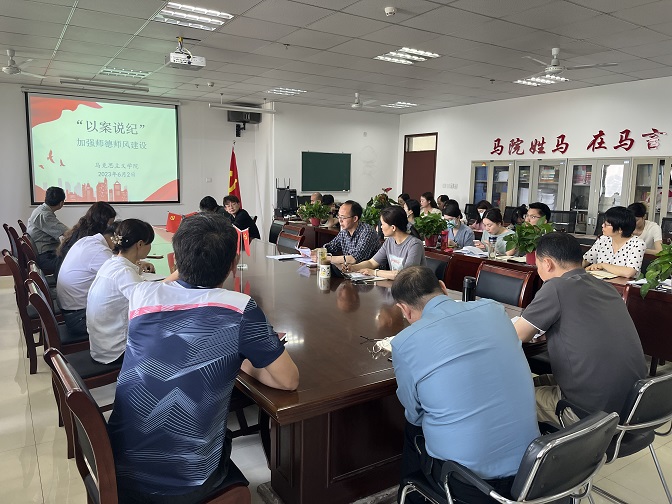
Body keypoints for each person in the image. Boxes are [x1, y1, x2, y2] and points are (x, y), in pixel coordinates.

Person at [107, 213, 299, 503]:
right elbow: (288, 380)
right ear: (233, 264)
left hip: (118, 462)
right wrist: (242, 360)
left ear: (175, 259)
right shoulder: (239, 308)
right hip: (186, 479)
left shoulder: (141, 295)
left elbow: (169, 285)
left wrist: (182, 266)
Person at [392, 266, 539, 504]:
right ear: (443, 288)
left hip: (471, 485)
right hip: (533, 470)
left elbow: (415, 414)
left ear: (404, 309)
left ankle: (413, 496)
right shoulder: (495, 310)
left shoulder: (404, 342)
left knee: (413, 430)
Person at [515, 233, 646, 425]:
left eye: (538, 265)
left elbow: (518, 334)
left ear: (547, 263)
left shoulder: (556, 286)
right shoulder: (606, 287)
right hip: (633, 405)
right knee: (528, 383)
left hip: (590, 413)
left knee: (508, 398)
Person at [86, 219, 158, 365]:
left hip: (101, 345)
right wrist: (177, 274)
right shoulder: (124, 272)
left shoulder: (111, 263)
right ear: (140, 244)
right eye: (149, 243)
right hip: (115, 351)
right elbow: (149, 304)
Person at [56, 221, 120, 339]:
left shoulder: (88, 241)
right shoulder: (100, 251)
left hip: (71, 311)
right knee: (129, 314)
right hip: (79, 318)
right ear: (116, 239)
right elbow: (120, 276)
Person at [348, 206, 425, 279]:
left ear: (393, 227)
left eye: (382, 224)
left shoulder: (415, 244)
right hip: (396, 285)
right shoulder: (389, 241)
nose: (381, 227)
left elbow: (406, 275)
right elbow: (372, 263)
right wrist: (352, 267)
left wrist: (374, 272)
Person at [583, 206, 646, 278]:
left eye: (606, 224)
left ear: (620, 229)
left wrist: (603, 265)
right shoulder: (603, 239)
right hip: (600, 282)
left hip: (622, 284)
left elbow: (629, 272)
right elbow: (586, 259)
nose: (602, 225)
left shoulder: (637, 244)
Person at [55, 201, 117, 275]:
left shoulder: (79, 231)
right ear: (102, 222)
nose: (110, 228)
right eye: (110, 224)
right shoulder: (91, 240)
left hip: (61, 274)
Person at [317, 200, 380, 267]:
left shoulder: (367, 232)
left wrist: (325, 258)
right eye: (339, 216)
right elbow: (331, 247)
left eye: (343, 217)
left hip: (370, 272)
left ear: (355, 218)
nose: (340, 220)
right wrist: (317, 252)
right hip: (351, 270)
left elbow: (354, 259)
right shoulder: (344, 232)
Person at [26, 186, 68, 272]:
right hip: (45, 257)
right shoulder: (45, 215)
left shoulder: (40, 210)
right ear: (61, 203)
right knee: (73, 262)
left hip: (44, 253)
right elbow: (67, 232)